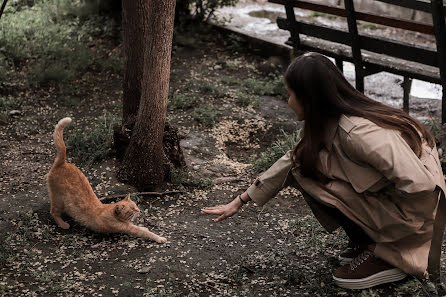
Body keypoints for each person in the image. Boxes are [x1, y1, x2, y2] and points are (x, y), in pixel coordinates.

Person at [201, 52, 446, 290]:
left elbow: (421, 185)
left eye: (290, 94)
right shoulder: (331, 120)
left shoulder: (360, 132)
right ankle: (371, 241)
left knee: (309, 174)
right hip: (400, 206)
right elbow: (294, 160)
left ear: (309, 98)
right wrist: (240, 200)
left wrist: (399, 240)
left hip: (414, 218)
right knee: (305, 167)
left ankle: (389, 255)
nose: (288, 102)